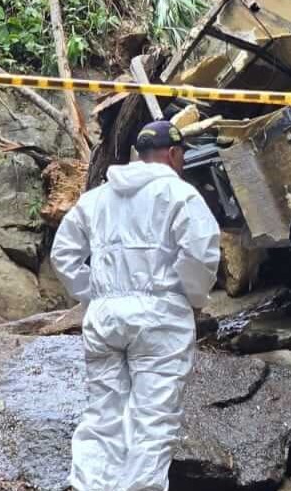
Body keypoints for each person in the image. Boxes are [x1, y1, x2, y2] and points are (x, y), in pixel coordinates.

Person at [52, 120, 222, 491]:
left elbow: (63, 255)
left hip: (106, 317)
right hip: (160, 317)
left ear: (139, 155)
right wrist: (191, 298)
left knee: (103, 417)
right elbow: (200, 254)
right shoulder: (181, 195)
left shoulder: (97, 197)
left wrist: (94, 293)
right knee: (152, 421)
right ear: (174, 154)